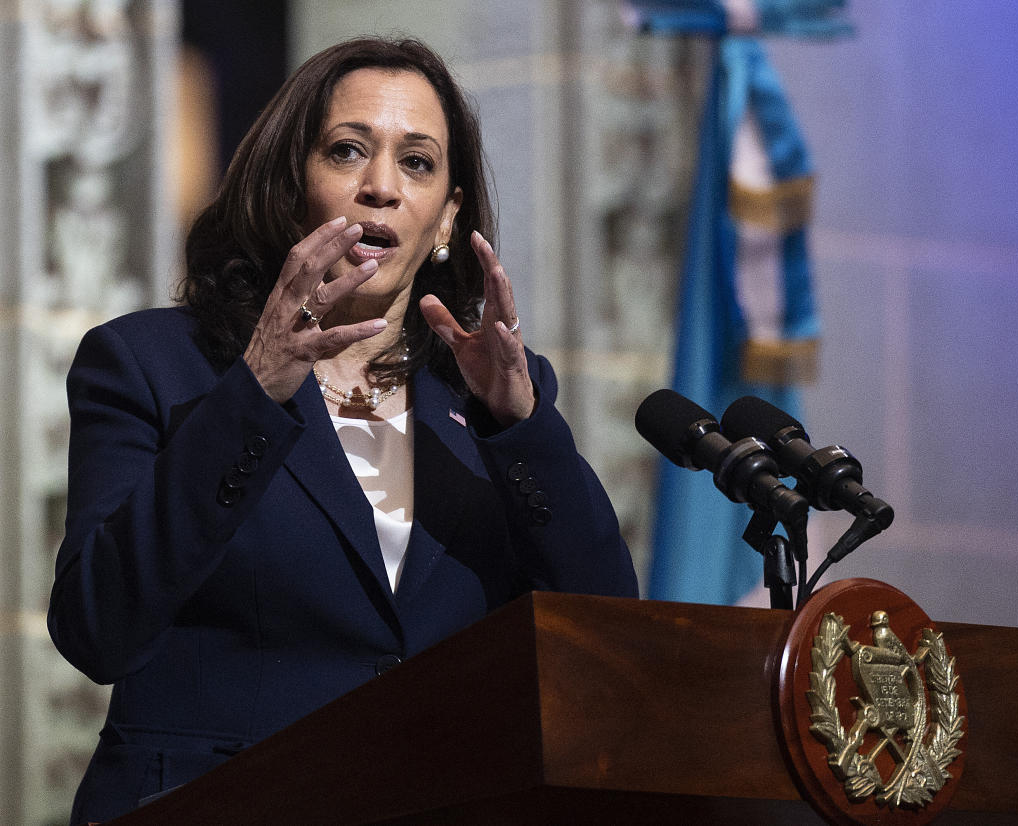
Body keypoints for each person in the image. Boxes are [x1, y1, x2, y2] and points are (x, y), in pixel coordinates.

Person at [47, 37, 638, 824]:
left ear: (445, 222)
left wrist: (522, 427)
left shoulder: (491, 403)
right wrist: (255, 389)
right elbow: (96, 628)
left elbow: (606, 644)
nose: (381, 187)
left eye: (418, 163)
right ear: (291, 188)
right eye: (348, 151)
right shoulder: (153, 365)